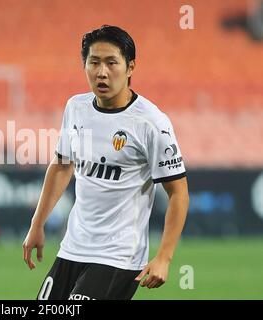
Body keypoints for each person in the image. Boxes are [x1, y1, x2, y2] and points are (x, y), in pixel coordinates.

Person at [22, 25, 189, 300]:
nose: (102, 72)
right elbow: (63, 165)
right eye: (94, 62)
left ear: (130, 67)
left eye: (112, 63)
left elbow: (178, 193)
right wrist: (37, 222)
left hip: (119, 257)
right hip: (72, 248)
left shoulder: (151, 123)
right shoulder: (76, 108)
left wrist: (164, 257)